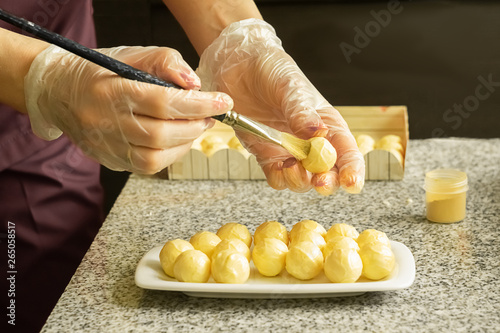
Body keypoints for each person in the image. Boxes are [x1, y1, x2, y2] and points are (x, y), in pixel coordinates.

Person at [0, 0, 364, 331]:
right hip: (54, 78)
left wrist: (239, 38)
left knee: (45, 303)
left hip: (49, 128)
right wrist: (40, 75)